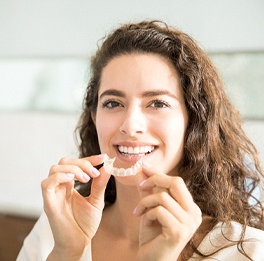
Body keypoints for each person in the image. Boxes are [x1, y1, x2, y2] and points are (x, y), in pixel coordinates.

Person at [17, 20, 264, 261]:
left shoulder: (247, 251)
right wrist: (67, 254)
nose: (130, 125)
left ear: (193, 121)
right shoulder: (56, 231)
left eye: (158, 103)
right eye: (113, 103)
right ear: (94, 118)